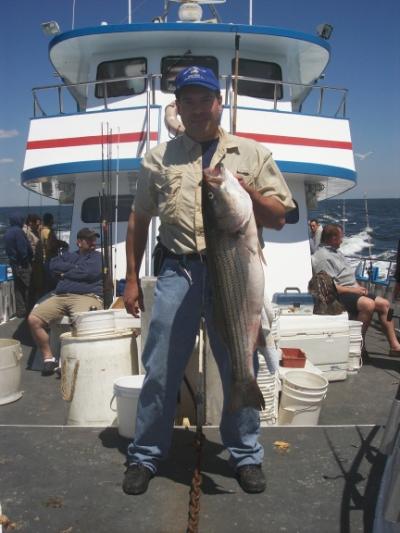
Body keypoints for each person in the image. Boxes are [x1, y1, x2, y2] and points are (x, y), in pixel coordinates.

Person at [122, 66, 295, 496]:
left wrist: (241, 190)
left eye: (205, 100)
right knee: (159, 367)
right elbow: (139, 220)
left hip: (234, 271)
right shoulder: (158, 158)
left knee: (239, 362)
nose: (198, 109)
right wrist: (129, 278)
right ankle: (145, 454)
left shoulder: (252, 154)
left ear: (220, 103)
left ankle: (246, 454)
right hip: (178, 271)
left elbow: (277, 217)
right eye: (188, 101)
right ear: (177, 107)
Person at [312, 224, 400, 356]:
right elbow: (328, 286)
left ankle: (395, 347)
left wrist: (358, 286)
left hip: (351, 290)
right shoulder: (323, 257)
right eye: (341, 237)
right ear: (333, 238)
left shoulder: (336, 252)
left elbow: (346, 275)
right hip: (336, 295)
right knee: (368, 305)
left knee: (385, 305)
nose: (342, 240)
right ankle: (358, 343)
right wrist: (354, 291)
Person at [27, 228, 103, 376]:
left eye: (94, 239)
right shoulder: (69, 256)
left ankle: (72, 361)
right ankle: (49, 358)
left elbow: (89, 273)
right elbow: (52, 265)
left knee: (82, 323)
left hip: (86, 296)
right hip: (60, 296)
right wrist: (74, 269)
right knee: (33, 319)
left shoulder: (97, 257)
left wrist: (65, 273)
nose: (93, 242)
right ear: (79, 242)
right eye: (89, 239)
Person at [4, 214, 33, 318]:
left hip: (14, 264)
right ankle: (29, 311)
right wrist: (27, 260)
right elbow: (23, 249)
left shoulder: (8, 232)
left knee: (18, 289)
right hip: (23, 264)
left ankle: (20, 311)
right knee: (27, 287)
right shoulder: (18, 232)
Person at [40, 213, 69, 291]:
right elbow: (51, 244)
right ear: (50, 220)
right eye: (52, 220)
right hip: (49, 260)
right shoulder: (46, 231)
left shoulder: (44, 230)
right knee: (52, 282)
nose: (53, 221)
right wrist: (61, 244)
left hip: (49, 260)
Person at [24, 214, 45, 304]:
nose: (38, 226)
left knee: (40, 283)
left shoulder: (36, 231)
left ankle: (38, 301)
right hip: (33, 262)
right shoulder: (26, 232)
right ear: (30, 223)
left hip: (39, 261)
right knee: (34, 285)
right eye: (37, 224)